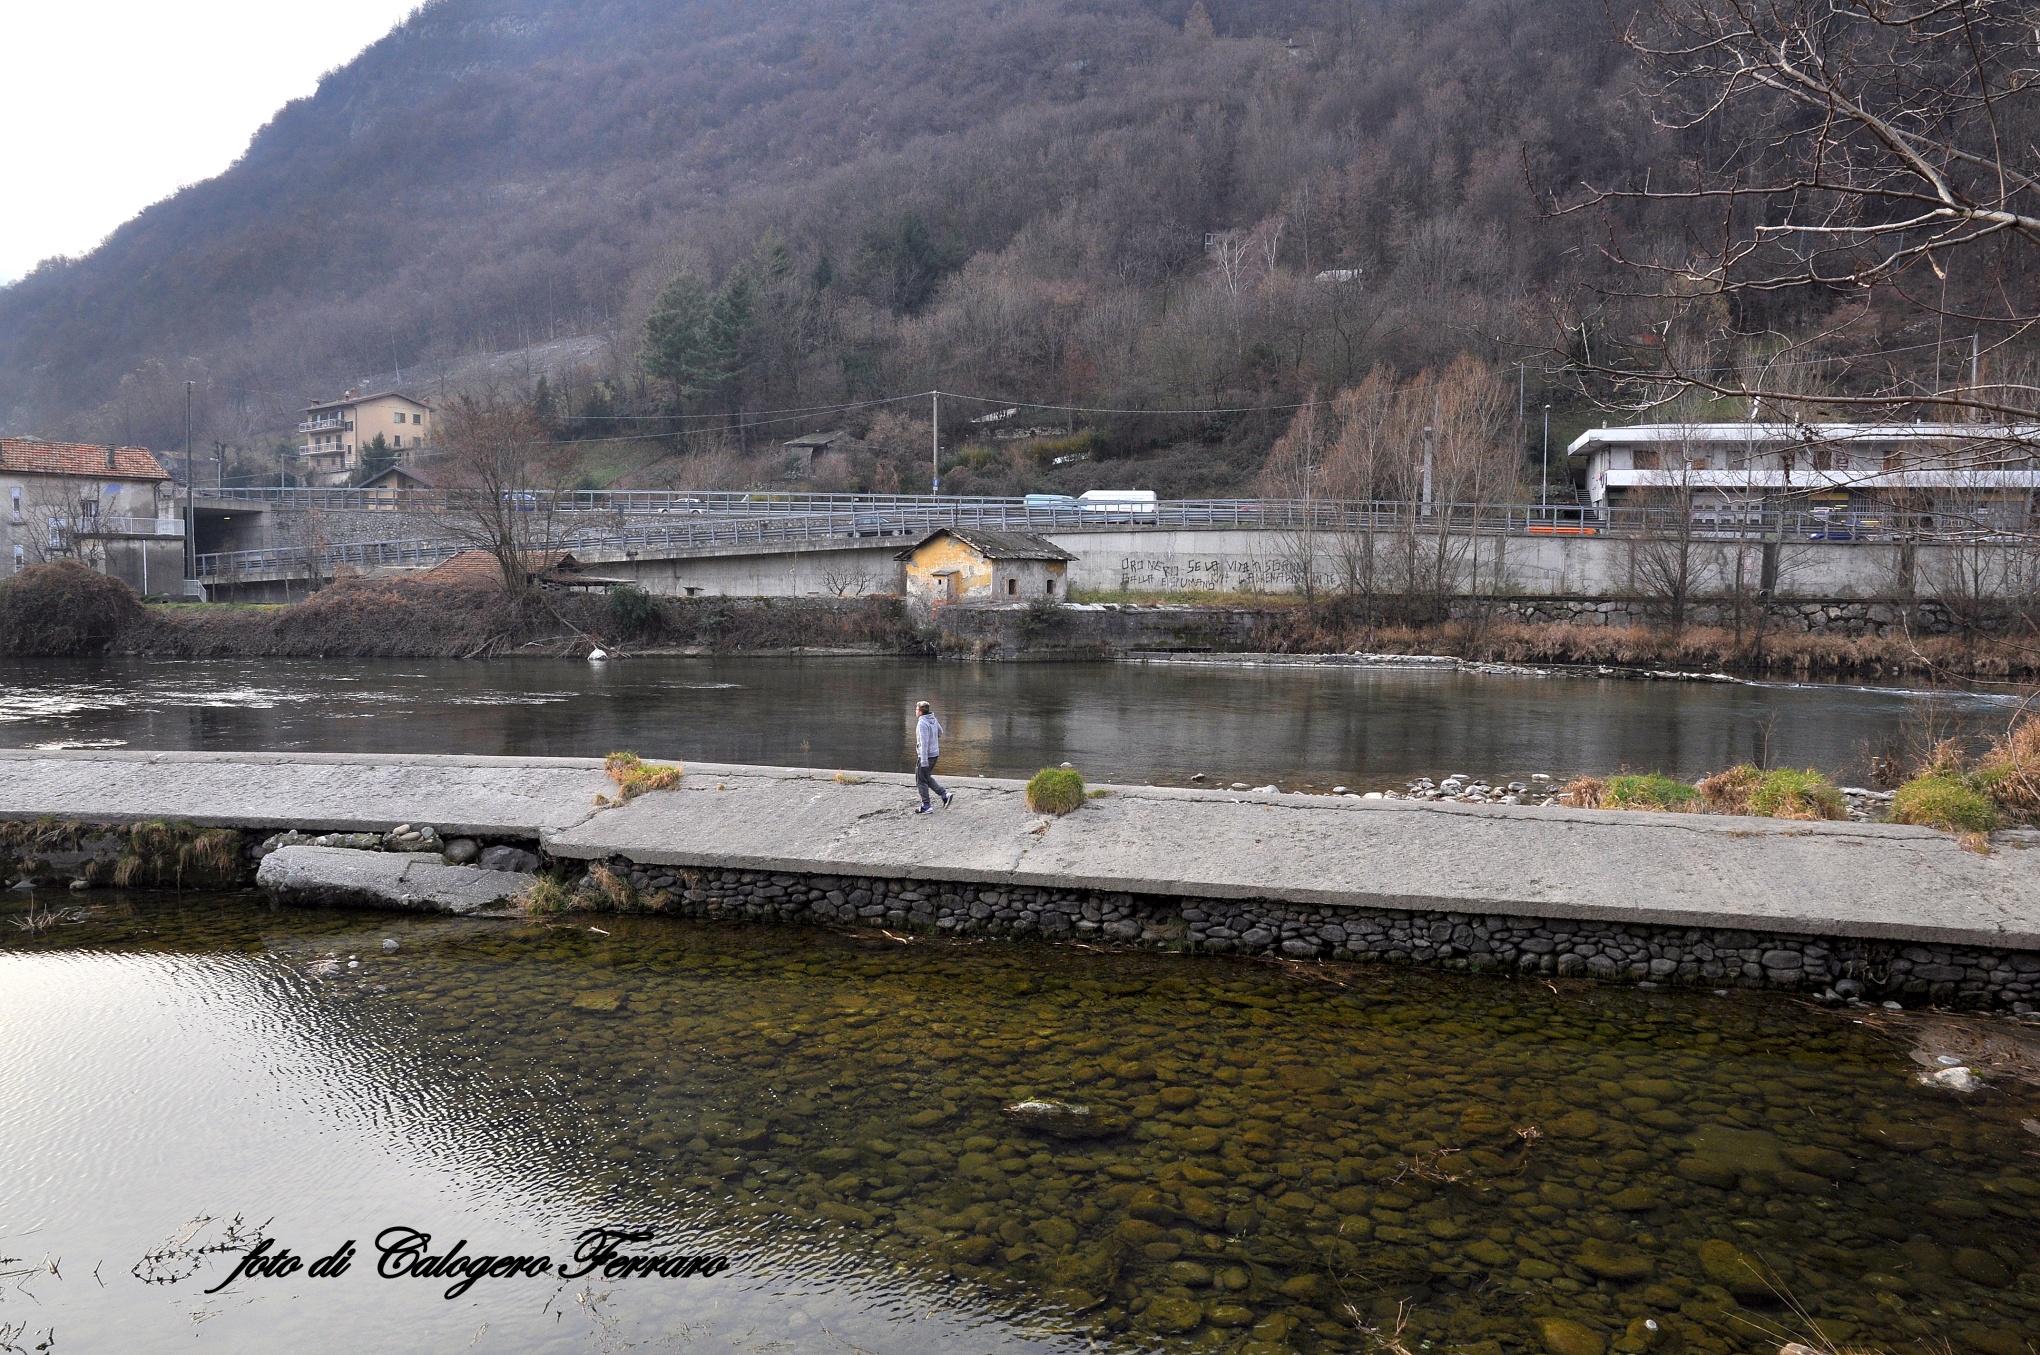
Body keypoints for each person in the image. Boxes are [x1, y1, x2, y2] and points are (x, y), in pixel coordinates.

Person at [913, 700, 952, 813]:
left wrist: (924, 760)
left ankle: (926, 805)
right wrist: (933, 742)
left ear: (920, 712)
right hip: (935, 754)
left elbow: (924, 743)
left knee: (920, 780)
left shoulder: (922, 723)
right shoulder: (933, 719)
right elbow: (940, 732)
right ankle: (944, 795)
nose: (915, 711)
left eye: (916, 710)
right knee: (927, 778)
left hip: (926, 756)